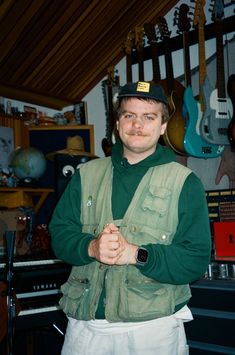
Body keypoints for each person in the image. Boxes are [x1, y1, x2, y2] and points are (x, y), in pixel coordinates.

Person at [49, 81, 211, 355]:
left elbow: (195, 260)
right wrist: (90, 247)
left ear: (162, 126)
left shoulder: (186, 183)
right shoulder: (85, 175)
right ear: (117, 123)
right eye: (129, 115)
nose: (138, 125)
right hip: (85, 329)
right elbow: (60, 234)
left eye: (149, 117)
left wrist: (137, 254)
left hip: (153, 330)